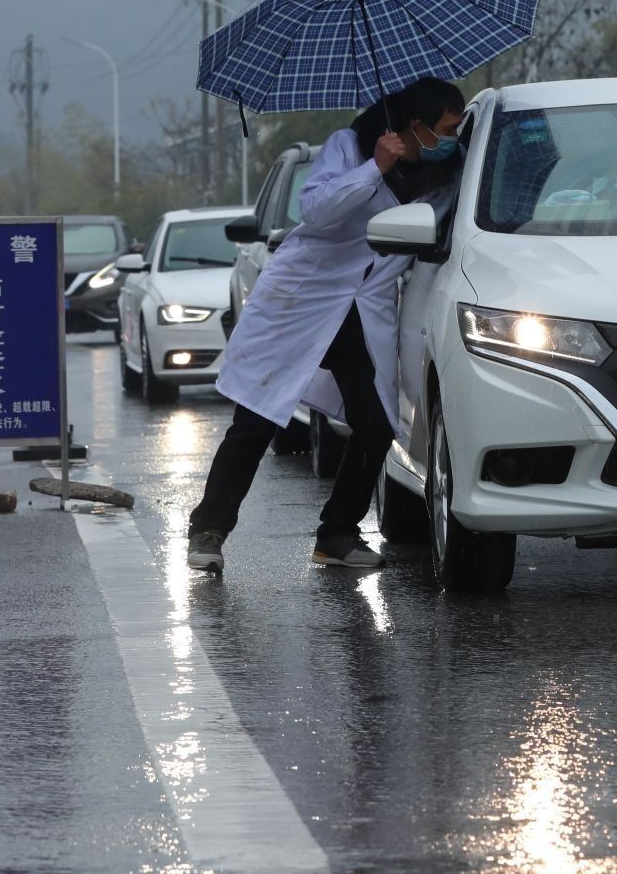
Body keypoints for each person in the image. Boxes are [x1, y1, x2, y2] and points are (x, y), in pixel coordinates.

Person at [185, 76, 466, 574]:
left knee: (376, 424)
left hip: (364, 310)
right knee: (257, 416)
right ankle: (209, 529)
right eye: (446, 128)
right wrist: (375, 168)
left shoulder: (448, 173)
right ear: (416, 123)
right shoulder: (349, 147)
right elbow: (315, 212)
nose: (453, 137)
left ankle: (337, 534)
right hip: (304, 300)